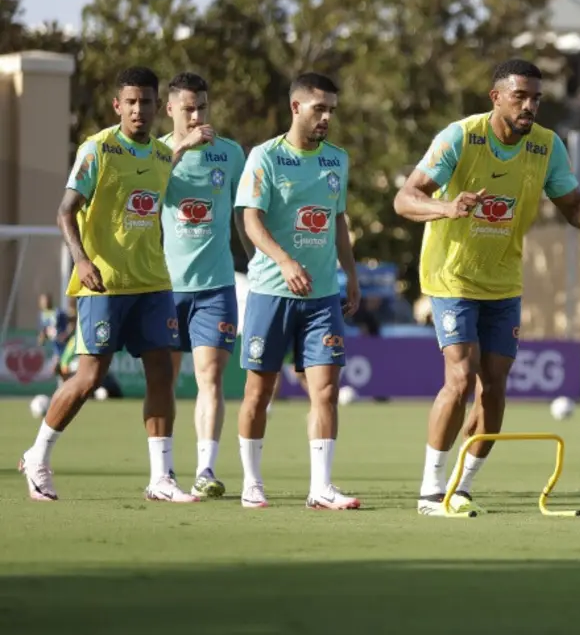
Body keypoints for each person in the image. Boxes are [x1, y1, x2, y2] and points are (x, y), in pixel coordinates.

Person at [394, 59, 580, 516]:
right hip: (451, 274)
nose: (530, 106)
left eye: (536, 98)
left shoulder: (548, 146)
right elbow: (406, 198)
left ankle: (463, 485)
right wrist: (448, 207)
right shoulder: (461, 136)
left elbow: (575, 212)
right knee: (459, 375)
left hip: (504, 279)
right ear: (496, 97)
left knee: (494, 386)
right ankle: (431, 490)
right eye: (521, 97)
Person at [18, 66, 211, 502]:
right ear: (117, 106)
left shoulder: (163, 157)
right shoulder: (97, 149)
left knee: (162, 373)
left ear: (156, 106)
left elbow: (162, 175)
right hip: (104, 284)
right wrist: (82, 259)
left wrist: (189, 142)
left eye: (146, 101)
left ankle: (161, 478)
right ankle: (37, 455)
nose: (138, 110)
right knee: (89, 378)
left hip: (153, 283)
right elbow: (65, 211)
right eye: (131, 102)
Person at [235, 72, 361, 510]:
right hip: (271, 292)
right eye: (319, 109)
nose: (326, 117)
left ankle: (321, 487)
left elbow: (338, 220)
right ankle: (251, 481)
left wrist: (352, 274)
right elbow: (252, 221)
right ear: (296, 108)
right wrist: (284, 261)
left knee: (325, 390)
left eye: (331, 110)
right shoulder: (265, 158)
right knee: (259, 392)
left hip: (323, 296)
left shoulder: (337, 160)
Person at [160, 72, 249, 499]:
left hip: (215, 285)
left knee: (210, 377)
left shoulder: (230, 153)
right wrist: (180, 149)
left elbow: (244, 214)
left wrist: (256, 259)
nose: (196, 116)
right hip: (164, 285)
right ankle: (163, 472)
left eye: (202, 108)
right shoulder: (154, 153)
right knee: (164, 380)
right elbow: (143, 198)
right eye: (188, 108)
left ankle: (205, 469)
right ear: (170, 109)